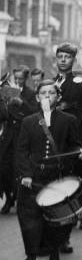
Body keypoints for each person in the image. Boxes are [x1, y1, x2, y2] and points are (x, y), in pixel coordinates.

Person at [15, 79, 82, 260]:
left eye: (51, 93)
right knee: (29, 217)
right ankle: (31, 258)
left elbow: (74, 145)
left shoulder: (69, 120)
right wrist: (26, 174)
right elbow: (21, 151)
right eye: (43, 93)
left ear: (58, 97)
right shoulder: (28, 122)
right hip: (33, 178)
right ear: (37, 98)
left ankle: (54, 254)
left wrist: (79, 152)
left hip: (56, 177)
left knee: (54, 220)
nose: (47, 96)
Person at [54, 43, 82, 236]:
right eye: (60, 56)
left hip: (74, 138)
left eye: (67, 57)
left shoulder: (81, 84)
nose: (63, 60)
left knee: (78, 179)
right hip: (55, 138)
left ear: (74, 60)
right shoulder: (51, 83)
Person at [0, 67, 37, 214]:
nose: (17, 81)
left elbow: (34, 112)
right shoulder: (6, 91)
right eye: (15, 78)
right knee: (3, 166)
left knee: (17, 167)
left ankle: (15, 198)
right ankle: (8, 196)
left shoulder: (30, 94)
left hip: (22, 135)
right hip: (8, 135)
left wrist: (21, 102)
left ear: (26, 79)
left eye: (20, 78)